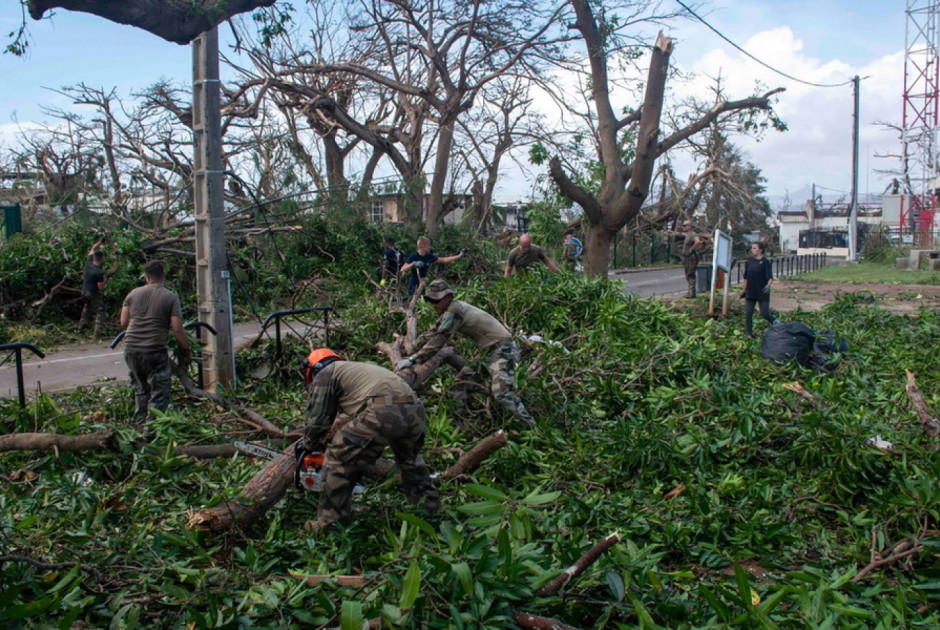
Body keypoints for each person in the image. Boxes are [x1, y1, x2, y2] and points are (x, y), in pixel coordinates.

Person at [297, 348, 439, 534]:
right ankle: (429, 510)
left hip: (383, 411)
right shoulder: (354, 369)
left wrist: (308, 444)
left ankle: (330, 525)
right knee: (410, 460)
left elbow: (318, 420)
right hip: (415, 409)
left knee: (338, 459)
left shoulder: (325, 374)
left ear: (312, 369)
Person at [396, 280, 534, 428]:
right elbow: (433, 331)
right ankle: (457, 426)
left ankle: (530, 426)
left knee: (502, 393)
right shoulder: (449, 311)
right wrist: (413, 346)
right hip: (487, 353)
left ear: (448, 297)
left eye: (436, 300)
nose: (433, 305)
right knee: (460, 385)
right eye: (430, 301)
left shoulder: (455, 311)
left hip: (502, 350)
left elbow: (439, 340)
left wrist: (412, 360)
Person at [119, 260, 191, 425]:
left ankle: (139, 424)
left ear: (147, 277)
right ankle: (151, 431)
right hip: (154, 349)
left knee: (140, 388)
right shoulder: (170, 296)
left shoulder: (132, 294)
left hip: (131, 348)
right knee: (159, 391)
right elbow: (177, 328)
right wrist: (186, 349)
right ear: (163, 276)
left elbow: (124, 322)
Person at [740, 241, 776, 337]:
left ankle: (777, 324)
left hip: (762, 291)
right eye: (752, 248)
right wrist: (744, 290)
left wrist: (768, 286)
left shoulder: (765, 262)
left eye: (755, 248)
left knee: (764, 313)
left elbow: (770, 278)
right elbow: (746, 277)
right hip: (750, 291)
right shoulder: (749, 262)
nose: (753, 250)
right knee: (748, 312)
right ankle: (749, 334)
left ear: (760, 250)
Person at [79, 250, 106, 337]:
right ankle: (97, 333)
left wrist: (99, 241)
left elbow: (92, 249)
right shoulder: (99, 272)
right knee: (101, 309)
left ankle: (81, 329)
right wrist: (105, 280)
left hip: (84, 291)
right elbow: (100, 287)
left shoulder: (88, 265)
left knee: (87, 308)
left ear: (93, 257)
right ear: (102, 259)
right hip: (92, 293)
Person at [680, 219, 704, 298]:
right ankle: (689, 292)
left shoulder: (693, 234)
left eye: (685, 225)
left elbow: (698, 242)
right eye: (683, 225)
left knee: (690, 274)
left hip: (691, 257)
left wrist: (692, 249)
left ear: (690, 226)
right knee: (687, 274)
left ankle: (692, 293)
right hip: (686, 257)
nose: (683, 227)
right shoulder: (687, 235)